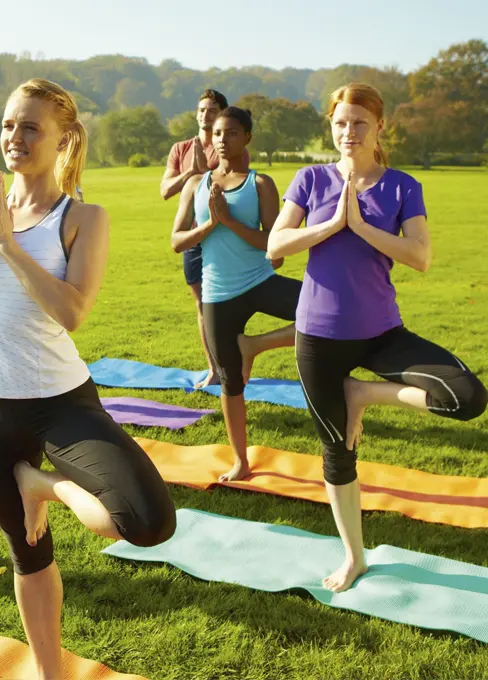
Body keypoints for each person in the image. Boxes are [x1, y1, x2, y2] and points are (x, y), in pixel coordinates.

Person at [0, 78, 176, 680]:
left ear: (64, 139)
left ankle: (41, 484)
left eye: (30, 126)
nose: (15, 136)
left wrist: (10, 248)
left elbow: (73, 311)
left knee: (144, 521)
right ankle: (49, 673)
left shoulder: (83, 217)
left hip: (62, 404)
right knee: (27, 553)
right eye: (9, 124)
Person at [266, 83, 487, 592]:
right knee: (337, 453)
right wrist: (330, 226)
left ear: (379, 127)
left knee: (466, 397)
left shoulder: (402, 185)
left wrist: (362, 227)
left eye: (359, 123)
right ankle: (354, 556)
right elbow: (275, 246)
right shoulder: (310, 179)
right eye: (340, 122)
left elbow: (420, 256)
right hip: (318, 339)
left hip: (383, 333)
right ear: (331, 125)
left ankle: (362, 392)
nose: (348, 132)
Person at [171, 107, 298, 482]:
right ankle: (240, 461)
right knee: (230, 382)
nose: (222, 139)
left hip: (260, 281)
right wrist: (210, 224)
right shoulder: (195, 185)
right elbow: (177, 241)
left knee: (327, 313)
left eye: (231, 133)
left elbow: (277, 250)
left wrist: (229, 221)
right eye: (217, 133)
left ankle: (255, 345)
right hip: (217, 295)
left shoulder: (261, 184)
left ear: (247, 139)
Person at [161, 89, 250, 388]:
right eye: (201, 110)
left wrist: (205, 173)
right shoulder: (181, 148)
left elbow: (237, 180)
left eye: (212, 110)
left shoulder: (230, 144)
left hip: (226, 233)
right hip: (195, 236)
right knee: (202, 305)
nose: (205, 115)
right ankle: (214, 369)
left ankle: (236, 361)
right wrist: (191, 174)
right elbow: (165, 191)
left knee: (229, 305)